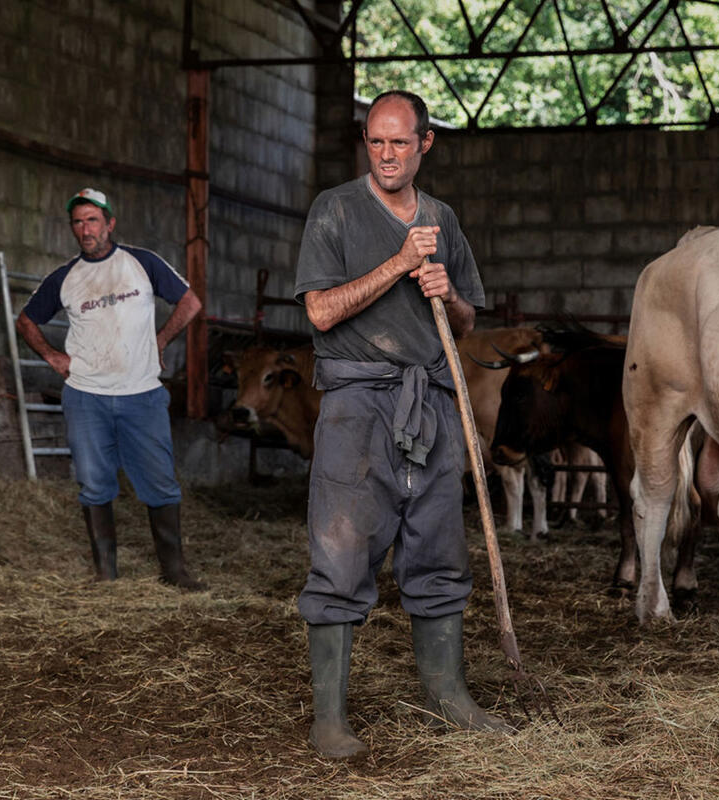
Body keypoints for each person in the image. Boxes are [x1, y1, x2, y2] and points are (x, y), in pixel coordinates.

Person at [293, 91, 511, 759]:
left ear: (425, 144)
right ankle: (329, 720)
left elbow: (469, 321)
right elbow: (321, 314)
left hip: (432, 403)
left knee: (439, 548)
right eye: (375, 141)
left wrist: (448, 293)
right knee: (340, 552)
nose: (386, 155)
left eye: (399, 142)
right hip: (358, 408)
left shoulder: (441, 218)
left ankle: (447, 693)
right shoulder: (334, 209)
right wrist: (397, 263)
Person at [17, 188, 205, 590]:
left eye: (93, 220)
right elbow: (26, 321)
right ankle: (106, 574)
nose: (86, 229)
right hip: (86, 395)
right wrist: (53, 356)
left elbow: (190, 303)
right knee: (93, 480)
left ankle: (175, 572)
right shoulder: (65, 277)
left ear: (110, 224)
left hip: (142, 393)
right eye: (78, 222)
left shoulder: (142, 263)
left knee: (159, 480)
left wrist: (160, 340)